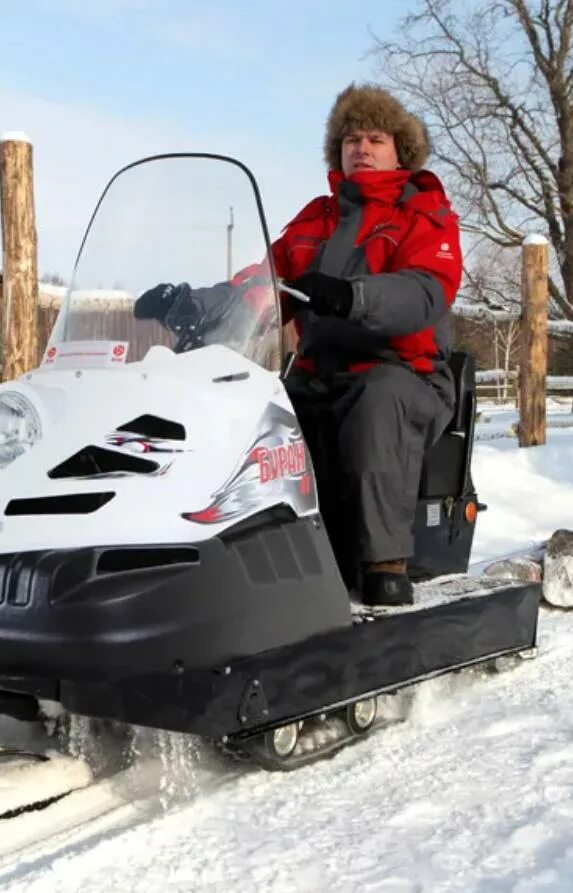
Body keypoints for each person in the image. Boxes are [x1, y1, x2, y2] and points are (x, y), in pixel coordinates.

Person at [137, 84, 462, 607]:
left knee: (376, 403)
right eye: (350, 139)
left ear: (400, 149)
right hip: (319, 370)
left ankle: (384, 566)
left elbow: (426, 291)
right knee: (257, 409)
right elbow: (261, 282)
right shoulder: (316, 218)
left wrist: (352, 296)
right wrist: (190, 304)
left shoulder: (423, 212)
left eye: (375, 138)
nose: (361, 147)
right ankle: (248, 562)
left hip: (405, 371)